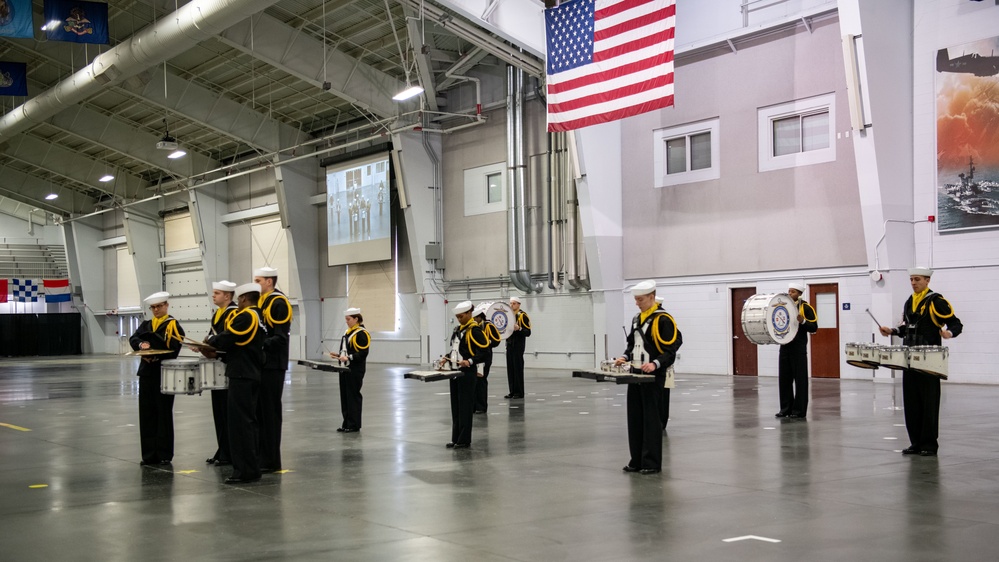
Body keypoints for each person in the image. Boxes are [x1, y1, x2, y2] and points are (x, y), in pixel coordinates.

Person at [879, 267, 962, 457]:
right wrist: (891, 331)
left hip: (930, 361)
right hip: (909, 359)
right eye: (911, 280)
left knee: (929, 401)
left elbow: (956, 323)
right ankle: (915, 442)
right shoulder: (910, 301)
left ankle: (929, 445)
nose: (913, 283)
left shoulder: (936, 301)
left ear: (927, 281)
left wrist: (949, 333)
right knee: (911, 401)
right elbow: (906, 327)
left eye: (917, 279)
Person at [615, 280, 682, 475]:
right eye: (636, 299)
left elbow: (671, 349)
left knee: (651, 420)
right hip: (635, 373)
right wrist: (624, 357)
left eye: (641, 299)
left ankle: (651, 462)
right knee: (634, 417)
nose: (637, 303)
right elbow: (632, 344)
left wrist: (655, 364)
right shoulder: (637, 319)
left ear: (652, 297)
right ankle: (636, 460)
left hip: (653, 376)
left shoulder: (663, 319)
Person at [207, 282, 267, 484]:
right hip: (250, 373)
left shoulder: (246, 316)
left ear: (242, 298)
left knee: (240, 425)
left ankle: (245, 471)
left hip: (242, 374)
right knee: (248, 422)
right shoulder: (258, 316)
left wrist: (209, 343)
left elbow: (229, 336)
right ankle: (251, 467)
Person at [129, 291, 185, 466]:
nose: (156, 310)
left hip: (164, 372)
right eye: (153, 307)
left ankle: (164, 453)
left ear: (166, 306)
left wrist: (155, 355)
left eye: (159, 306)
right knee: (147, 414)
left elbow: (174, 347)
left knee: (163, 413)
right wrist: (141, 346)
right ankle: (148, 454)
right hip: (146, 373)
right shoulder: (147, 324)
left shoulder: (172, 325)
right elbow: (134, 338)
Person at [253, 266, 293, 473]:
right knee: (260, 412)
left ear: (269, 282)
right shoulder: (261, 302)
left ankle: (270, 459)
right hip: (261, 363)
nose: (255, 284)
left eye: (258, 281)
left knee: (269, 413)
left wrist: (258, 345)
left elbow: (279, 336)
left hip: (273, 364)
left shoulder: (278, 302)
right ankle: (261, 456)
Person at [203, 280, 238, 466]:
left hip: (227, 366)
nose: (213, 295)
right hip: (217, 367)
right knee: (218, 411)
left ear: (227, 296)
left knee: (226, 411)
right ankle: (222, 448)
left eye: (217, 293)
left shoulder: (233, 313)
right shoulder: (218, 313)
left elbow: (227, 339)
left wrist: (211, 345)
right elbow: (212, 336)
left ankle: (228, 452)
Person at [447, 301, 489, 449]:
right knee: (456, 406)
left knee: (465, 407)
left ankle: (464, 440)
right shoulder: (458, 330)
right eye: (457, 317)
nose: (459, 319)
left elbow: (485, 351)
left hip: (467, 374)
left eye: (461, 316)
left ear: (469, 314)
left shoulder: (474, 330)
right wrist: (446, 358)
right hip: (455, 372)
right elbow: (456, 350)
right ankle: (456, 437)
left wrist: (470, 361)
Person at [776, 282, 818, 419]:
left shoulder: (806, 307)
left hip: (798, 348)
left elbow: (814, 327)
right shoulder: (784, 307)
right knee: (784, 379)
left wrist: (803, 321)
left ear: (799, 293)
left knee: (800, 380)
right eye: (789, 291)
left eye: (793, 292)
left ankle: (799, 411)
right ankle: (785, 409)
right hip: (785, 346)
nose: (790, 294)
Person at [331, 307, 370, 433]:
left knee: (353, 396)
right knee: (345, 396)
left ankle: (354, 424)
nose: (346, 322)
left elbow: (363, 353)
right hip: (344, 368)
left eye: (348, 319)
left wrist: (348, 357)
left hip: (355, 369)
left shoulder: (361, 333)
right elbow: (346, 350)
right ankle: (346, 422)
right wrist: (338, 356)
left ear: (356, 319)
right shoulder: (347, 333)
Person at [473, 303, 502, 414]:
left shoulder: (488, 326)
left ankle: (481, 406)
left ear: (480, 317)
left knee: (481, 381)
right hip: (476, 357)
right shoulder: (475, 328)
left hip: (485, 357)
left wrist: (486, 343)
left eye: (475, 318)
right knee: (475, 381)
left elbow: (496, 340)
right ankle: (475, 405)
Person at [504, 295, 532, 399]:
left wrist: (519, 329)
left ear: (519, 304)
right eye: (510, 303)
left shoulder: (522, 315)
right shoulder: (508, 315)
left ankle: (519, 392)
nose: (512, 305)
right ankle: (512, 391)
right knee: (510, 369)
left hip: (518, 345)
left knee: (517, 368)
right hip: (510, 344)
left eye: (514, 303)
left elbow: (528, 332)